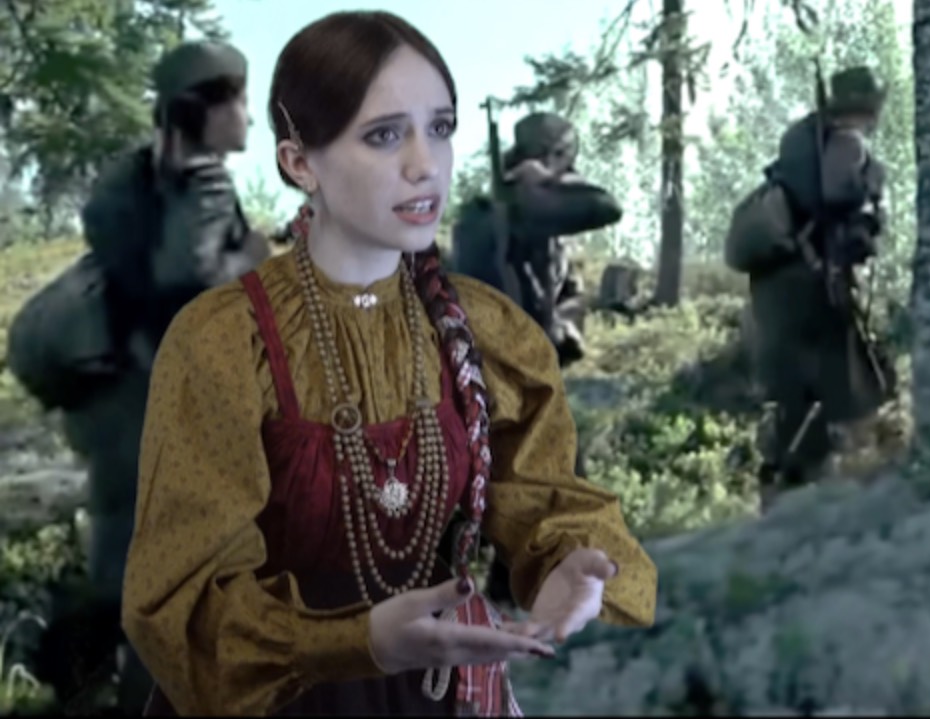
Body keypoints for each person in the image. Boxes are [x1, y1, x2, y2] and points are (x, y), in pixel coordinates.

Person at [120, 11, 657, 716]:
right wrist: (355, 641)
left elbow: (545, 494)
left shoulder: (485, 329)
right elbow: (181, 601)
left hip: (437, 696)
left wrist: (569, 562)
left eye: (440, 128)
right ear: (299, 162)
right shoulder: (224, 341)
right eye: (383, 135)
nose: (425, 164)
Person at [7, 39, 266, 713]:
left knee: (124, 555)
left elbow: (125, 255)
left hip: (107, 395)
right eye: (240, 101)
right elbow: (190, 281)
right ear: (209, 108)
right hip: (157, 400)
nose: (248, 116)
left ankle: (80, 665)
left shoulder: (133, 173)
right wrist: (255, 261)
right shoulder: (205, 181)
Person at [725, 66, 896, 509]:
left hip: (775, 283)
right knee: (842, 389)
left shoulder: (801, 140)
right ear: (868, 104)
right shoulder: (846, 143)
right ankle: (810, 495)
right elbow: (839, 199)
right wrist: (871, 188)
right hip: (814, 281)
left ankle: (779, 490)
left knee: (792, 391)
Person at [451, 111, 622, 368]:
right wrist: (547, 180)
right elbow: (607, 207)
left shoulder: (480, 215)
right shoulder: (521, 206)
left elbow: (565, 291)